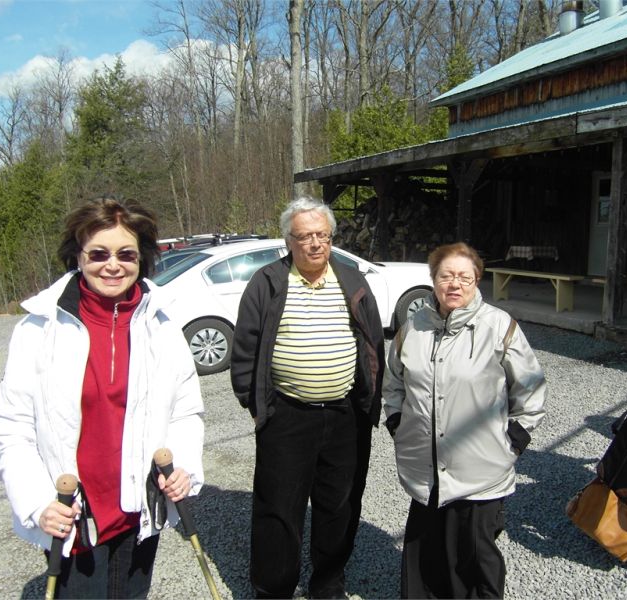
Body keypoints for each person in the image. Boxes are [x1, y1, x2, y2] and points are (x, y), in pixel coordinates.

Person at [0, 197, 205, 598]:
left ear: (141, 258)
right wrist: (37, 503)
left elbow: (185, 412)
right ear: (78, 256)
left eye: (126, 254)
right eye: (99, 254)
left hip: (139, 512)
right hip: (74, 516)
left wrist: (184, 466)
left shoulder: (162, 325)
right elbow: (12, 428)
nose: (113, 265)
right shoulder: (38, 329)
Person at [230, 197, 385, 599]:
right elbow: (244, 349)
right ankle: (274, 589)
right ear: (288, 240)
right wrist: (258, 407)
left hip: (344, 416)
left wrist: (369, 401)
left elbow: (373, 342)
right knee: (279, 508)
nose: (315, 244)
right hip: (287, 416)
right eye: (304, 236)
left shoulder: (352, 279)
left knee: (339, 505)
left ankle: (328, 584)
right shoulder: (267, 282)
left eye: (322, 235)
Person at [383, 242, 547, 599]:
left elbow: (530, 387)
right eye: (446, 276)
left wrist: (514, 439)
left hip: (481, 469)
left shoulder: (499, 327)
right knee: (426, 551)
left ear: (477, 281)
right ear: (433, 280)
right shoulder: (412, 329)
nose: (454, 284)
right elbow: (393, 382)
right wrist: (397, 421)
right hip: (424, 466)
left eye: (464, 277)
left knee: (474, 554)